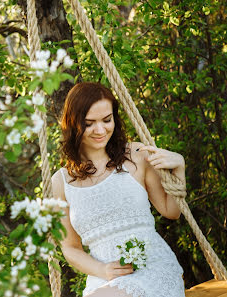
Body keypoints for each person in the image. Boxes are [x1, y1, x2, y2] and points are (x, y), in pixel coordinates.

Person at [51, 82, 186, 297]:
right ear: (73, 123)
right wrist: (102, 270)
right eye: (89, 123)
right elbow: (70, 248)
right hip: (103, 281)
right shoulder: (61, 182)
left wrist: (179, 169)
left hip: (151, 269)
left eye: (107, 120)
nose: (100, 130)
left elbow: (172, 211)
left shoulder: (136, 155)